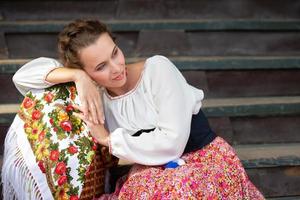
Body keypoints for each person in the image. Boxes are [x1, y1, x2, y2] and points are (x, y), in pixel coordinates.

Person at [7, 19, 264, 199]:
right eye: (100, 67)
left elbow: (173, 143)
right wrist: (77, 77)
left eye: (115, 53)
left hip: (204, 160)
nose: (117, 68)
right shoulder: (97, 96)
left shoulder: (158, 69)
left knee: (178, 192)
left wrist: (107, 139)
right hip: (154, 171)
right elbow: (23, 77)